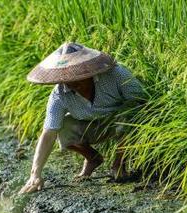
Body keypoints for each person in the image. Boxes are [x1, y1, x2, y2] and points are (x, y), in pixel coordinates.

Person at [19, 42, 145, 194]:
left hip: (120, 122)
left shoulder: (116, 74)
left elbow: (140, 102)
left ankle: (119, 164)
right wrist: (35, 174)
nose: (72, 82)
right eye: (67, 77)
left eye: (77, 74)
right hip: (91, 126)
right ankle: (92, 157)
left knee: (128, 113)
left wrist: (128, 118)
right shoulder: (59, 94)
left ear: (89, 70)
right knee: (63, 126)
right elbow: (49, 133)